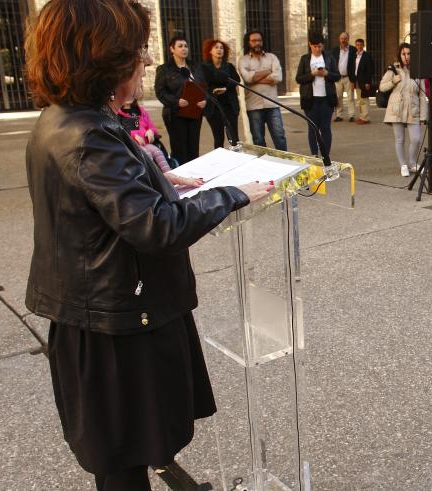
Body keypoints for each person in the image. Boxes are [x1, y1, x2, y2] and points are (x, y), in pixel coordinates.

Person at [23, 1, 270, 488]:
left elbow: (99, 198)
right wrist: (232, 194)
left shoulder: (70, 117)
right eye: (138, 52)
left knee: (129, 446)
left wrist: (160, 180)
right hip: (115, 321)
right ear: (104, 60)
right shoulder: (86, 133)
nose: (147, 63)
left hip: (103, 310)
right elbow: (158, 229)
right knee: (122, 456)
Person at [116, 89, 205, 188]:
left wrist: (150, 131)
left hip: (146, 143)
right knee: (147, 154)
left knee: (157, 151)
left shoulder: (139, 111)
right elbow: (124, 131)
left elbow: (150, 126)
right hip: (135, 145)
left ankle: (169, 174)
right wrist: (133, 136)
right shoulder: (119, 114)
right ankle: (150, 178)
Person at [154, 35, 206, 165]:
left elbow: (204, 87)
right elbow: (160, 92)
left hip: (194, 112)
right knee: (180, 149)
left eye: (186, 46)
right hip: (176, 114)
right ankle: (181, 178)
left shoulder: (195, 66)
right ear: (172, 49)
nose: (184, 49)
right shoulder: (164, 69)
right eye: (180, 46)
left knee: (193, 148)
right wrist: (176, 101)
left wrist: (205, 100)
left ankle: (194, 178)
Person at [380, 43, 427, 177]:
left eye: (409, 54)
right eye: (403, 54)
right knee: (399, 139)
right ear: (399, 55)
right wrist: (393, 81)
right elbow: (382, 87)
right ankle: (403, 165)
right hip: (397, 108)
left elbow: (423, 95)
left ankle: (412, 163)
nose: (406, 57)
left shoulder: (418, 70)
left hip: (413, 108)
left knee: (416, 139)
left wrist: (424, 115)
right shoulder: (393, 69)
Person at [238, 30, 286, 151]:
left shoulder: (272, 57)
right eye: (254, 41)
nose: (257, 43)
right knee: (258, 139)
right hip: (253, 106)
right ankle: (263, 164)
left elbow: (278, 77)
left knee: (279, 137)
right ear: (248, 42)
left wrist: (255, 78)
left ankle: (286, 163)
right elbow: (247, 78)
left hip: (272, 104)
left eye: (259, 40)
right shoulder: (243, 60)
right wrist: (268, 72)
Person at [296, 32, 341, 156]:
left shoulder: (329, 57)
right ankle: (314, 155)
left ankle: (325, 154)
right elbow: (299, 78)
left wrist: (327, 74)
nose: (317, 49)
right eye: (315, 46)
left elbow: (337, 76)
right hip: (310, 99)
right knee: (313, 128)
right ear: (310, 45)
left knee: (325, 128)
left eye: (320, 46)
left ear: (323, 46)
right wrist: (312, 74)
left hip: (327, 99)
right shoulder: (305, 59)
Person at [200, 39, 241, 149]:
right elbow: (202, 84)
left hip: (229, 105)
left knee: (234, 137)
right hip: (213, 107)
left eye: (221, 48)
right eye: (216, 47)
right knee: (218, 138)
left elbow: (236, 80)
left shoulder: (229, 67)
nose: (219, 50)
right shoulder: (203, 68)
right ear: (210, 51)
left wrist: (225, 88)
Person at [333, 32, 357, 122]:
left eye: (345, 38)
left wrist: (354, 79)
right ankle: (339, 115)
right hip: (338, 78)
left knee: (350, 97)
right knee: (338, 97)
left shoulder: (353, 50)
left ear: (348, 39)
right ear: (339, 39)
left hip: (348, 77)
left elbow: (356, 64)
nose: (343, 40)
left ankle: (351, 115)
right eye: (342, 38)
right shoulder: (335, 50)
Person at [353, 38, 374, 124]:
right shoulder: (355, 55)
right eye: (357, 45)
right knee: (360, 100)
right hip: (357, 80)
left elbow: (370, 70)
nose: (359, 47)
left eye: (361, 45)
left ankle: (365, 118)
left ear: (363, 45)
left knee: (364, 100)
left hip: (364, 81)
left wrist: (368, 82)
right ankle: (362, 116)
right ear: (355, 46)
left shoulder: (367, 56)